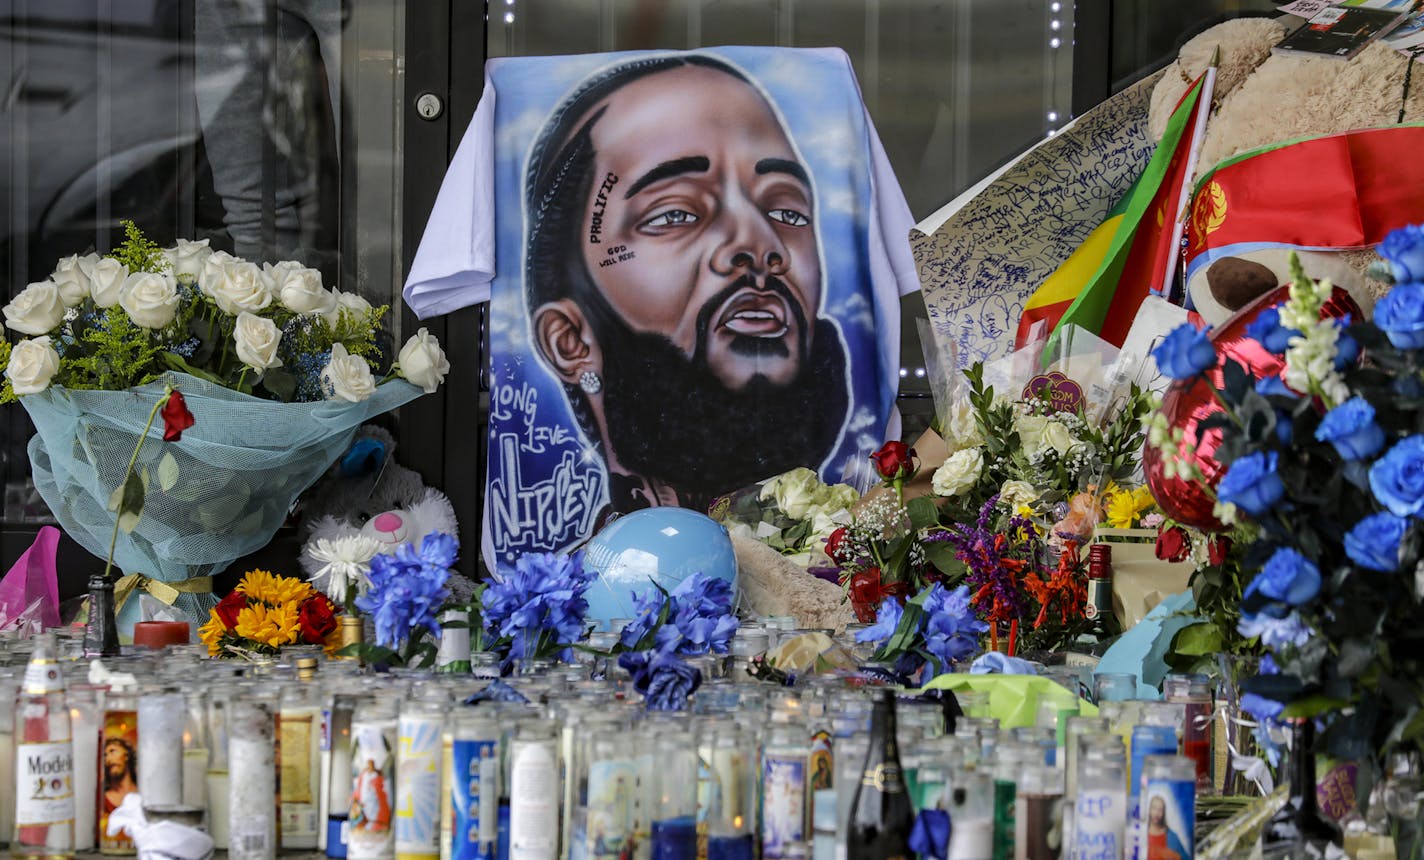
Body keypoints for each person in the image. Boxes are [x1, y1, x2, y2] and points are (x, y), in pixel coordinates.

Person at [523, 54, 851, 519]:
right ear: (570, 340)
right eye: (675, 214)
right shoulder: (565, 593)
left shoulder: (866, 577)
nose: (761, 243)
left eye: (786, 212)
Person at [351, 757, 391, 832]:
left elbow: (381, 789)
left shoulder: (376, 775)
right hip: (364, 800)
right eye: (369, 764)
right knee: (364, 813)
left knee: (373, 812)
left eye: (371, 764)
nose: (370, 765)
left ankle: (374, 825)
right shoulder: (364, 775)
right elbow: (359, 787)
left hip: (373, 800)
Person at [1144, 794, 1188, 860]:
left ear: (1163, 813)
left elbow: (1186, 858)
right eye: (1154, 808)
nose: (1156, 813)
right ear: (1149, 810)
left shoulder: (1172, 836)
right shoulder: (1141, 832)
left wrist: (1175, 856)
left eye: (1160, 810)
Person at [103, 737, 139, 815]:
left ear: (126, 755)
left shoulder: (143, 794)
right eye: (105, 755)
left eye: (112, 751)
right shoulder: (102, 801)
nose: (108, 758)